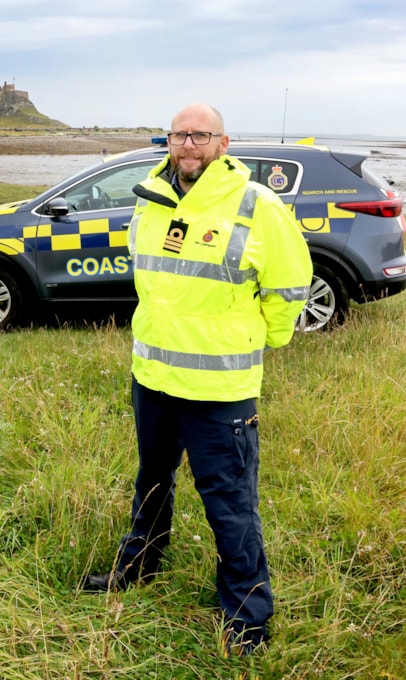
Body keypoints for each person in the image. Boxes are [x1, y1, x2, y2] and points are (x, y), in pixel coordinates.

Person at [81, 103, 312, 656]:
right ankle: (139, 566)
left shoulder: (257, 205)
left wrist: (265, 340)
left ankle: (247, 615)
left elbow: (291, 284)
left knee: (230, 503)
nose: (189, 144)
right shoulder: (151, 199)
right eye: (180, 135)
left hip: (219, 389)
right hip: (154, 378)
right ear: (169, 142)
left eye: (200, 135)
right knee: (152, 482)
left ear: (223, 143)